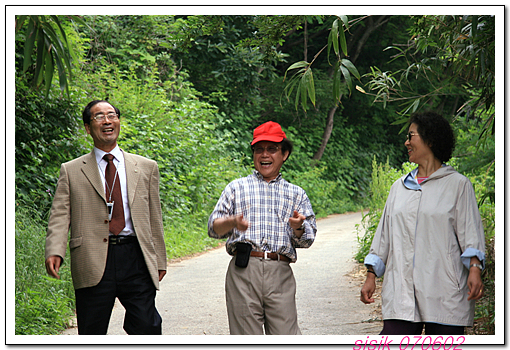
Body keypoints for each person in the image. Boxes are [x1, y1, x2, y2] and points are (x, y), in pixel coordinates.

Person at [45, 100, 167, 335]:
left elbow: (154, 217)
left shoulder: (145, 167)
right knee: (92, 330)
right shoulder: (71, 170)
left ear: (119, 122)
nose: (107, 121)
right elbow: (60, 214)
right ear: (88, 128)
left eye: (112, 115)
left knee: (147, 325)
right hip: (91, 257)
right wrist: (54, 250)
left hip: (136, 256)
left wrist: (159, 259)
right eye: (99, 117)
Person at [360, 111, 486, 335]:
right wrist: (371, 275)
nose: (406, 142)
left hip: (445, 291)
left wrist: (475, 268)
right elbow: (383, 237)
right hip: (401, 292)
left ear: (430, 139)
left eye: (411, 136)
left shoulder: (457, 185)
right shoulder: (399, 188)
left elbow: (471, 233)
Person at [208, 121, 317, 335]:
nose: (264, 155)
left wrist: (298, 227)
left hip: (280, 274)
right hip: (243, 272)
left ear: (284, 154)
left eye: (272, 149)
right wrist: (231, 222)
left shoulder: (296, 194)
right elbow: (214, 228)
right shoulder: (236, 187)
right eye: (259, 149)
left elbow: (308, 239)